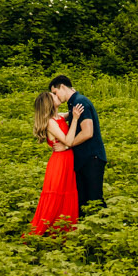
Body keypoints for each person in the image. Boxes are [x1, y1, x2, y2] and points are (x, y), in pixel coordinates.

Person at [26, 89, 80, 236]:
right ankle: (42, 233)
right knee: (55, 196)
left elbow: (68, 113)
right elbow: (68, 140)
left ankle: (62, 231)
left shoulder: (58, 117)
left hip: (67, 160)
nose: (57, 96)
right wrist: (75, 119)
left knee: (66, 195)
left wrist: (74, 94)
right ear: (49, 103)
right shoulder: (50, 122)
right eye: (53, 96)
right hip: (59, 163)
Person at [48, 76, 105, 213]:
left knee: (94, 199)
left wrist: (67, 145)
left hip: (92, 157)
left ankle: (105, 228)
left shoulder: (80, 102)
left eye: (55, 93)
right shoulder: (73, 103)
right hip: (84, 157)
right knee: (83, 200)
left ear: (62, 87)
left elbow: (88, 132)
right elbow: (61, 116)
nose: (55, 96)